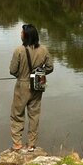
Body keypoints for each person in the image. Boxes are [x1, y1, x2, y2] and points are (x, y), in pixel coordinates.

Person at [9, 23, 53, 151]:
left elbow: (12, 70)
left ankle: (17, 144)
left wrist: (21, 75)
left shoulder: (19, 50)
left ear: (26, 36)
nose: (20, 34)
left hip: (22, 84)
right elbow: (50, 67)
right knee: (34, 114)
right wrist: (39, 73)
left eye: (22, 32)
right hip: (38, 82)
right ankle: (31, 144)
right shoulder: (44, 50)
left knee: (17, 114)